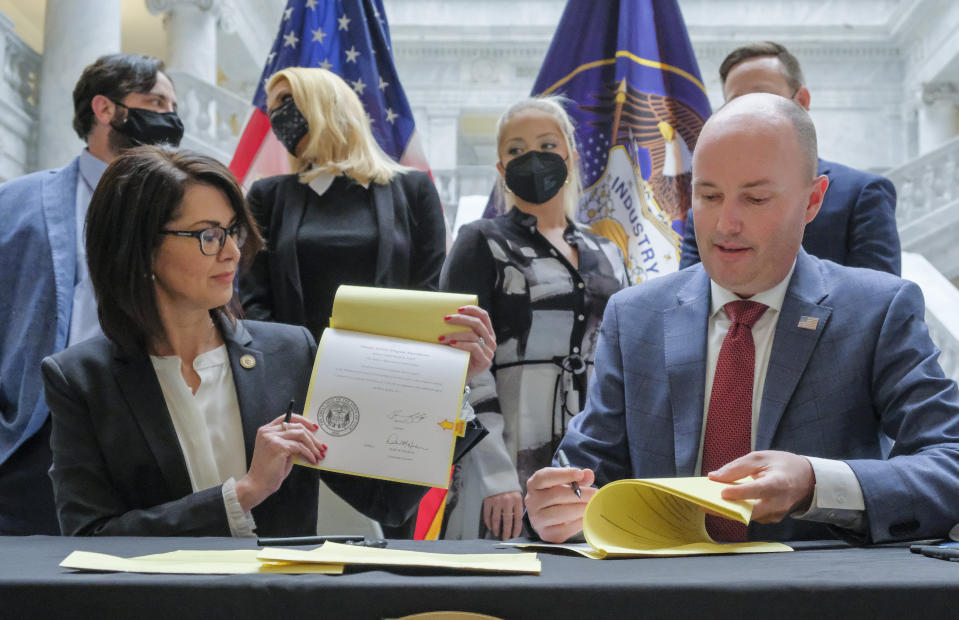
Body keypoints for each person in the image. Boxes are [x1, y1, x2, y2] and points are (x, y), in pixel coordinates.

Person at [526, 93, 959, 545]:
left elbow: (950, 463)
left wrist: (816, 483)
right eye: (708, 195)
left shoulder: (876, 311)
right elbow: (589, 477)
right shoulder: (633, 317)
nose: (724, 223)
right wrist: (558, 507)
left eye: (755, 199)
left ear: (812, 201)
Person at [41, 146, 495, 536]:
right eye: (207, 235)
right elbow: (90, 536)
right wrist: (243, 494)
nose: (233, 252)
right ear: (138, 247)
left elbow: (386, 500)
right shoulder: (79, 379)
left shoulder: (290, 352)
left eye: (232, 231)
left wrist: (449, 386)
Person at [0, 53, 183, 535]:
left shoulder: (183, 209)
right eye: (156, 101)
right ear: (105, 109)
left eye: (173, 105)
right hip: (37, 429)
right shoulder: (16, 203)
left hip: (148, 423)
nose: (170, 116)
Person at [441, 97, 629, 541]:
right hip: (504, 457)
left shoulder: (608, 253)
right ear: (501, 169)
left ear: (571, 156)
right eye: (517, 150)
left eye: (547, 144)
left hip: (590, 461)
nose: (533, 158)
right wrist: (494, 472)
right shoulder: (480, 241)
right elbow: (457, 364)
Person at [239, 67, 447, 342]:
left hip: (387, 368)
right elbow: (255, 302)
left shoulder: (414, 191)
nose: (277, 116)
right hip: (296, 369)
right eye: (272, 108)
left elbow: (427, 293)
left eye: (286, 100)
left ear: (326, 103)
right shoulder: (266, 196)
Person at [679, 41, 900, 276]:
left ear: (801, 101)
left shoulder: (862, 194)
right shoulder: (705, 207)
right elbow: (687, 297)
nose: (749, 111)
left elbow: (876, 301)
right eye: (736, 102)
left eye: (763, 96)